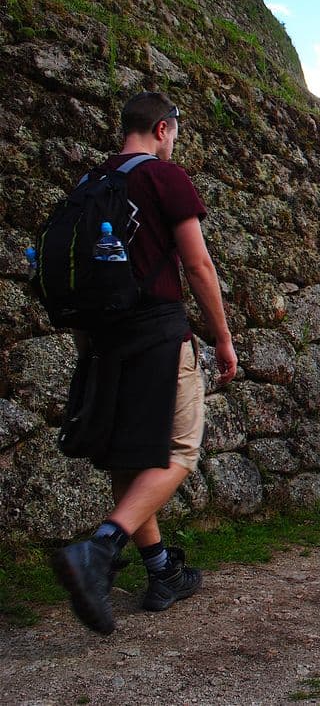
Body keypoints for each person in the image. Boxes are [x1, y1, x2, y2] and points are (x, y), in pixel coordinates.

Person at [51, 91, 238, 636]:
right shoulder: (163, 177)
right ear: (162, 128)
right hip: (157, 332)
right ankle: (100, 548)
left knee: (130, 458)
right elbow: (198, 265)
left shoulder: (91, 183)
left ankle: (161, 572)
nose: (174, 142)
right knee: (180, 449)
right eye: (175, 133)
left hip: (102, 339)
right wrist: (223, 338)